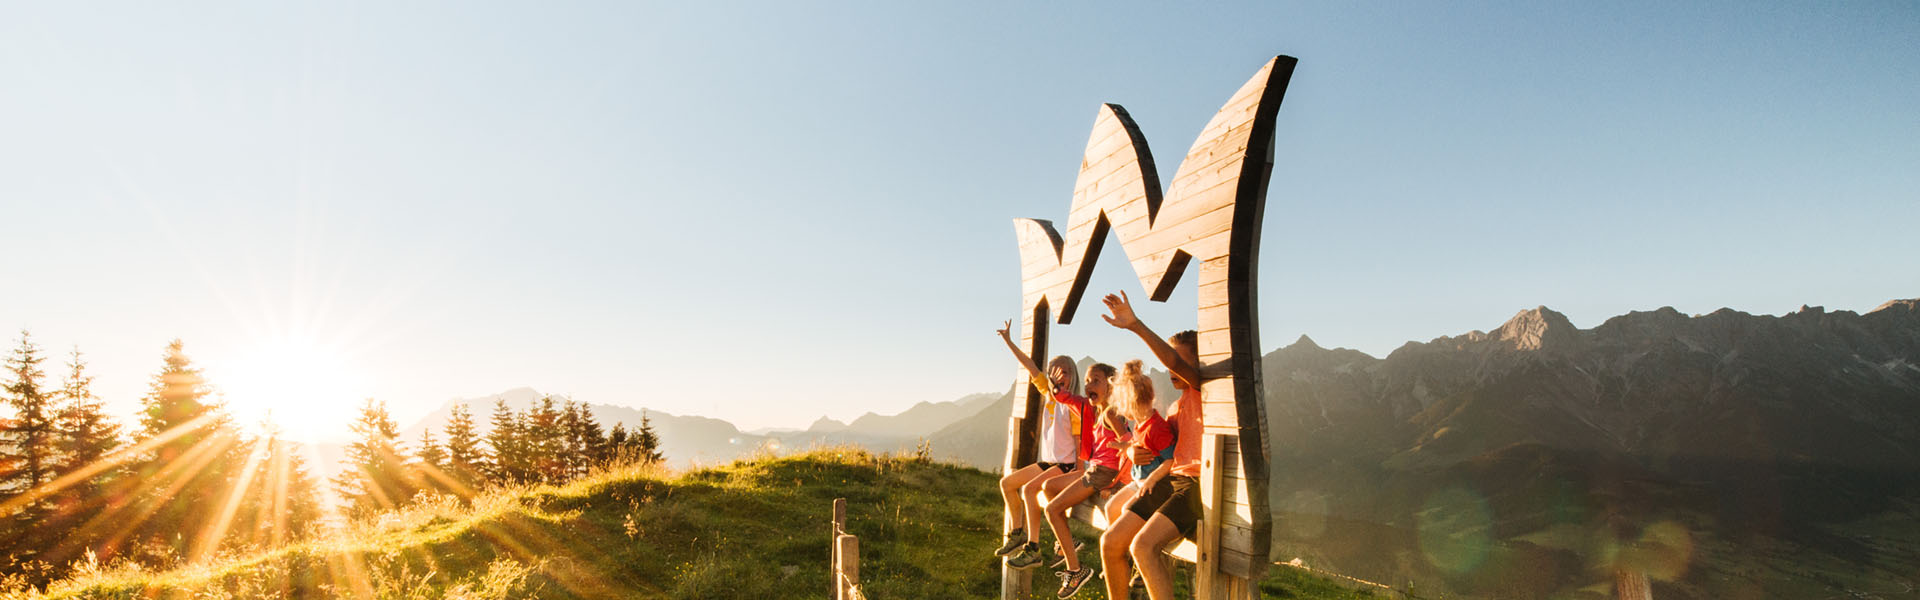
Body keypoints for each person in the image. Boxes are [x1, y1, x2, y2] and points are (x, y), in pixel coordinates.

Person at [1096, 291, 1203, 600]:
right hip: (1171, 481)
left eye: (1182, 361)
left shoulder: (1201, 390)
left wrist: (1136, 325)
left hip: (1195, 488)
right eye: (1174, 361)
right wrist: (1129, 450)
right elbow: (1154, 443)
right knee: (1110, 543)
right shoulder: (1174, 410)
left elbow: (1172, 361)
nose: (1173, 369)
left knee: (1142, 546)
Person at [994, 320, 1086, 570]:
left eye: (1064, 372)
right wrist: (1009, 342)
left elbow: (1080, 445)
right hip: (1048, 463)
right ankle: (1018, 533)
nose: (1058, 376)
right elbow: (1030, 366)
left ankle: (1033, 548)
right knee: (1008, 483)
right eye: (1053, 372)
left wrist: (1079, 474)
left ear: (1073, 376)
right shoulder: (1049, 395)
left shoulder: (1075, 407)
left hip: (1066, 466)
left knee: (1029, 490)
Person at [1038, 361, 1122, 597]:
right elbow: (1065, 397)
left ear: (1111, 387)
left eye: (1096, 380)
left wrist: (1114, 482)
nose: (1088, 384)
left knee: (1052, 510)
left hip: (1102, 474)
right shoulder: (1087, 407)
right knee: (1049, 486)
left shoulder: (1114, 413)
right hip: (1092, 471)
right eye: (1087, 380)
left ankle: (1075, 569)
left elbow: (1128, 446)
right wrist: (1054, 388)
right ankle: (1069, 544)